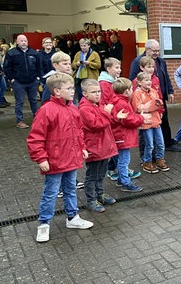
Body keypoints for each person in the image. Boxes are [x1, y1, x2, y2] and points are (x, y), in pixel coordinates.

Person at [27, 72, 94, 243]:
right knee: (50, 193)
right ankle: (43, 224)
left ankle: (72, 217)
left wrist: (82, 148)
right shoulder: (46, 110)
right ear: (57, 91)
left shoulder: (73, 108)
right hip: (55, 161)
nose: (73, 91)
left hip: (71, 159)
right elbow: (36, 137)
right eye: (69, 88)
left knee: (70, 189)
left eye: (73, 87)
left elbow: (78, 131)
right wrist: (41, 158)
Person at [129, 39, 181, 152]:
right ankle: (147, 151)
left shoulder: (161, 61)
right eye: (154, 50)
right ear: (147, 50)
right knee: (147, 125)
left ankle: (166, 143)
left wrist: (170, 91)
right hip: (145, 100)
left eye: (158, 50)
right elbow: (133, 80)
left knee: (164, 120)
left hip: (159, 97)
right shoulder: (138, 61)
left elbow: (166, 76)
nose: (157, 53)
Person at [78, 79, 122, 213]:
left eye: (99, 91)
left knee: (101, 173)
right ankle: (91, 200)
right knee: (92, 175)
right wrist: (107, 113)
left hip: (104, 146)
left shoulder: (98, 104)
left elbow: (107, 122)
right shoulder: (85, 108)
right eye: (94, 92)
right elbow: (96, 124)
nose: (98, 94)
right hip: (94, 148)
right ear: (85, 93)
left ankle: (100, 194)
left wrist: (115, 116)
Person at [131, 72, 170, 174]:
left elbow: (159, 104)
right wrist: (153, 106)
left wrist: (155, 106)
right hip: (146, 122)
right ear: (139, 82)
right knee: (149, 144)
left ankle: (159, 159)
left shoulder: (153, 91)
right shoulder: (137, 93)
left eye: (149, 80)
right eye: (146, 80)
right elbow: (139, 108)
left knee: (160, 143)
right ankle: (147, 161)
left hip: (156, 120)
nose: (149, 82)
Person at [110, 77, 144, 192]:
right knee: (124, 161)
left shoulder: (117, 101)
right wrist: (141, 118)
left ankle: (121, 179)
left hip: (120, 136)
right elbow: (129, 120)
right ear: (126, 91)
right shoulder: (122, 103)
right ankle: (125, 182)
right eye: (131, 88)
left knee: (122, 160)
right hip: (122, 136)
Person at [3, 34, 41, 129]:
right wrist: (11, 79)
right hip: (18, 82)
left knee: (34, 101)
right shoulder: (11, 53)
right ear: (17, 42)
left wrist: (37, 78)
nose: (24, 42)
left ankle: (37, 119)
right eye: (21, 41)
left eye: (25, 41)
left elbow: (39, 66)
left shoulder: (34, 53)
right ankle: (19, 121)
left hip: (32, 81)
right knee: (19, 102)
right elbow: (6, 67)